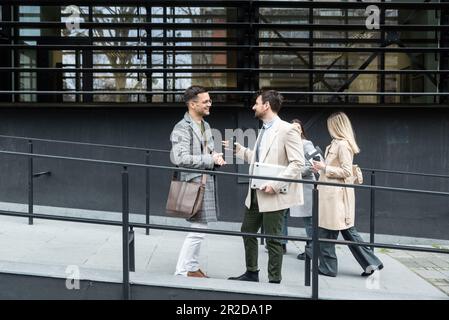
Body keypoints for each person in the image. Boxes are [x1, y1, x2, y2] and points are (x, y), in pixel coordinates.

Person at [226, 90, 304, 284]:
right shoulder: (263, 129)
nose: (253, 106)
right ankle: (252, 272)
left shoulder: (288, 130)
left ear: (266, 105)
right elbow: (259, 160)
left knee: (273, 240)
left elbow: (297, 164)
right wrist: (239, 150)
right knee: (247, 231)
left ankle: (274, 280)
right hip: (255, 192)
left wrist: (276, 185)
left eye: (256, 103)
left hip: (274, 194)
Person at [312, 111, 383, 277]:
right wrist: (320, 167)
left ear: (336, 126)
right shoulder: (338, 143)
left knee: (328, 232)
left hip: (335, 197)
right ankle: (371, 263)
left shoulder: (342, 145)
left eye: (330, 125)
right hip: (332, 195)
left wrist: (324, 168)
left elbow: (345, 171)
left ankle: (328, 268)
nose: (328, 128)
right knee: (344, 231)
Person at [170, 85, 226, 278]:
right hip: (194, 182)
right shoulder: (181, 127)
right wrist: (210, 159)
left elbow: (205, 153)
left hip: (205, 180)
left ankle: (191, 267)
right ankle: (182, 271)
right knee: (199, 228)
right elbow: (180, 158)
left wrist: (215, 157)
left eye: (209, 100)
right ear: (192, 104)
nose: (210, 104)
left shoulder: (206, 125)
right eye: (206, 101)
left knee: (201, 227)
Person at [287, 119, 319, 260]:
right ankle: (280, 243)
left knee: (309, 220)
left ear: (302, 130)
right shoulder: (288, 144)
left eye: (298, 128)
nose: (296, 130)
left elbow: (316, 163)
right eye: (293, 128)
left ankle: (312, 250)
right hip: (291, 186)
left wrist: (297, 170)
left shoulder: (306, 144)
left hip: (305, 186)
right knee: (281, 214)